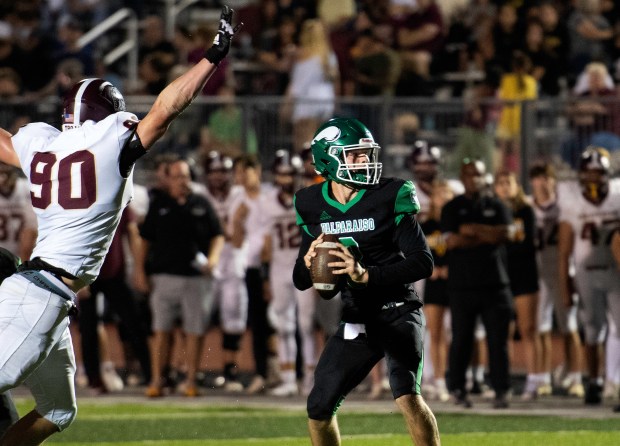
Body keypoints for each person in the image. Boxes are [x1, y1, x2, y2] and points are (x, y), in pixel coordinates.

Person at [0, 5, 240, 444]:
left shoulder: (41, 146)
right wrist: (213, 56)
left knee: (58, 410)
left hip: (42, 288)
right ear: (107, 115)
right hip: (42, 293)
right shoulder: (111, 143)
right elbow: (167, 107)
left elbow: (2, 143)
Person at [293, 117, 440, 446]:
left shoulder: (390, 193)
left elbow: (422, 261)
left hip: (398, 310)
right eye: (355, 154)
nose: (365, 160)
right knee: (318, 407)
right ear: (329, 158)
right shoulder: (311, 203)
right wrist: (307, 264)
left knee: (406, 396)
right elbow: (301, 280)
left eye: (366, 153)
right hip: (358, 316)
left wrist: (366, 275)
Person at [136, 157, 224, 398]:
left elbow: (218, 234)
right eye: (176, 176)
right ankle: (157, 380)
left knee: (194, 331)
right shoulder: (159, 204)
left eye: (185, 176)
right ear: (168, 179)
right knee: (161, 331)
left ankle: (190, 380)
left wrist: (214, 259)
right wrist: (139, 271)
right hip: (164, 276)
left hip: (196, 277)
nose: (181, 181)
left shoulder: (201, 203)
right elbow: (145, 241)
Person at [441, 159, 513, 409]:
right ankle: (457, 388)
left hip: (494, 284)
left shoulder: (497, 205)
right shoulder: (452, 207)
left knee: (497, 340)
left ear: (486, 177)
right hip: (462, 284)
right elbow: (452, 242)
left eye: (479, 175)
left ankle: (500, 389)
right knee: (461, 338)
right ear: (462, 177)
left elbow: (504, 235)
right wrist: (486, 235)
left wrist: (473, 230)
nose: (474, 179)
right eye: (470, 174)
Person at [558, 146, 620, 408]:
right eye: (590, 172)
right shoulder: (573, 202)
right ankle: (593, 381)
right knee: (593, 331)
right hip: (586, 272)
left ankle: (613, 382)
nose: (594, 177)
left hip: (615, 271)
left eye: (599, 172)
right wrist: (565, 284)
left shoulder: (617, 197)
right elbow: (563, 250)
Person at [528, 163, 583, 398]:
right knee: (541, 327)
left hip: (561, 270)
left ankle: (576, 375)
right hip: (537, 271)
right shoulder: (528, 207)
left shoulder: (564, 206)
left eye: (545, 177)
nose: (541, 182)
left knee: (568, 326)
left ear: (553, 180)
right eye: (537, 178)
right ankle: (545, 376)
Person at [494, 170, 542, 400]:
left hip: (523, 274)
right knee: (504, 330)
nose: (504, 187)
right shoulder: (492, 210)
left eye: (508, 182)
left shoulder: (525, 211)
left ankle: (534, 380)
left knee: (528, 328)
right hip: (501, 276)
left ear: (516, 185)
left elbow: (526, 244)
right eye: (500, 183)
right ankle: (507, 380)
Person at [202, 150, 248, 392]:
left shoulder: (241, 195)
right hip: (208, 262)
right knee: (200, 317)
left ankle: (231, 370)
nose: (219, 176)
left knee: (233, 316)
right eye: (215, 171)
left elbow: (238, 237)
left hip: (234, 262)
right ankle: (197, 369)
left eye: (223, 171)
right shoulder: (200, 195)